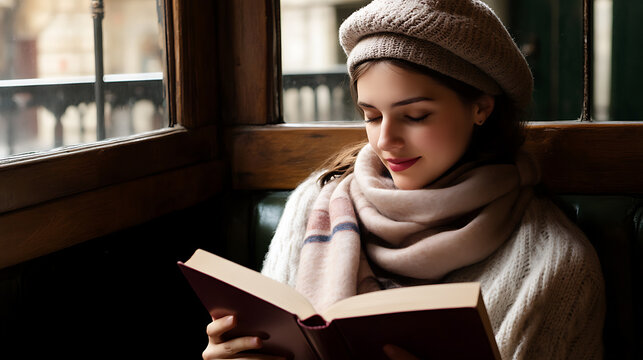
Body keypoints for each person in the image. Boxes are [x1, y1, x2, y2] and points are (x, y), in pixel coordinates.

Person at [202, 0, 605, 359]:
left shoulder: (554, 263)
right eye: (371, 116)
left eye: (415, 116)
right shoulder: (314, 203)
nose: (385, 140)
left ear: (480, 108)